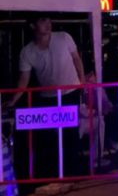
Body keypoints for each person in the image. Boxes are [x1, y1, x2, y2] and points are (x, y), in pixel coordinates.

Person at [12, 15, 87, 180]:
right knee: (50, 137)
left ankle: (72, 172)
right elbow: (23, 81)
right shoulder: (27, 51)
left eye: (48, 21)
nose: (47, 24)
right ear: (33, 26)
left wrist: (82, 83)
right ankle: (54, 172)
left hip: (70, 91)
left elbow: (76, 59)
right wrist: (12, 100)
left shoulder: (64, 37)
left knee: (70, 133)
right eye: (42, 21)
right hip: (48, 96)